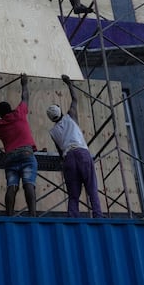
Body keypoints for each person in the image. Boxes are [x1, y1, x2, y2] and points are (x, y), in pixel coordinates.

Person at [0, 73, 38, 217]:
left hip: (10, 157)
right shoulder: (19, 113)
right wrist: (24, 83)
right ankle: (33, 215)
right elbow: (25, 97)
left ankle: (9, 215)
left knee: (12, 186)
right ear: (10, 108)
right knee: (28, 184)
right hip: (26, 153)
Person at [47, 74, 103, 218]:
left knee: (73, 194)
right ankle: (97, 214)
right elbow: (75, 99)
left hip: (68, 158)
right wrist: (69, 83)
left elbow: (60, 151)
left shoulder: (53, 132)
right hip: (82, 153)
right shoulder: (70, 116)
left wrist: (64, 162)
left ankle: (73, 218)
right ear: (60, 110)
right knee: (91, 188)